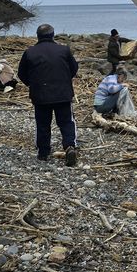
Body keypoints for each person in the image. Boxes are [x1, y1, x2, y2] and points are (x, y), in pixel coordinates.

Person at [18, 24, 80, 166]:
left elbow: (21, 74)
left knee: (43, 124)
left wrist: (33, 84)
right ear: (52, 35)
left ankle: (43, 153)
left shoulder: (30, 52)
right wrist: (64, 80)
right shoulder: (64, 50)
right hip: (62, 93)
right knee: (66, 122)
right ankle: (70, 146)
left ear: (38, 36)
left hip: (40, 94)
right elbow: (74, 68)